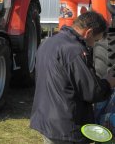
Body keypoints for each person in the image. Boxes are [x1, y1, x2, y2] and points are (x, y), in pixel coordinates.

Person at [30, 11, 115, 144]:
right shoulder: (75, 51)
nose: (93, 45)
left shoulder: (48, 43)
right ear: (89, 33)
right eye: (96, 40)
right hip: (66, 127)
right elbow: (91, 92)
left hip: (46, 119)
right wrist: (108, 83)